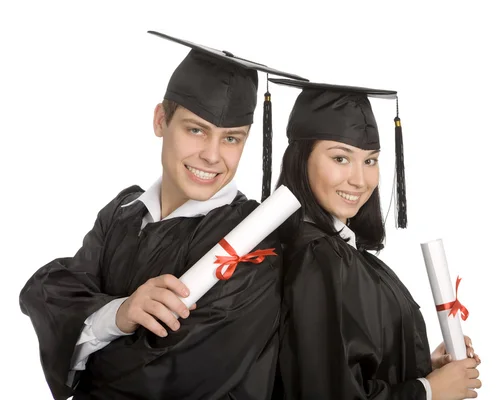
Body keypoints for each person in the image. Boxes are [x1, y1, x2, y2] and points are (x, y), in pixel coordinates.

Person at [19, 32, 307, 400]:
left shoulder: (252, 244)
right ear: (160, 121)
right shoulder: (122, 212)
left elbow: (167, 380)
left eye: (232, 138)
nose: (213, 156)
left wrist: (93, 333)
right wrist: (120, 314)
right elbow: (48, 293)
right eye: (196, 130)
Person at [268, 78, 482, 400]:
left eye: (370, 160)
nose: (359, 180)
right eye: (340, 158)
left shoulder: (337, 250)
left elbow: (348, 365)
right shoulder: (318, 259)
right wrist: (428, 391)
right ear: (301, 158)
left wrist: (421, 366)